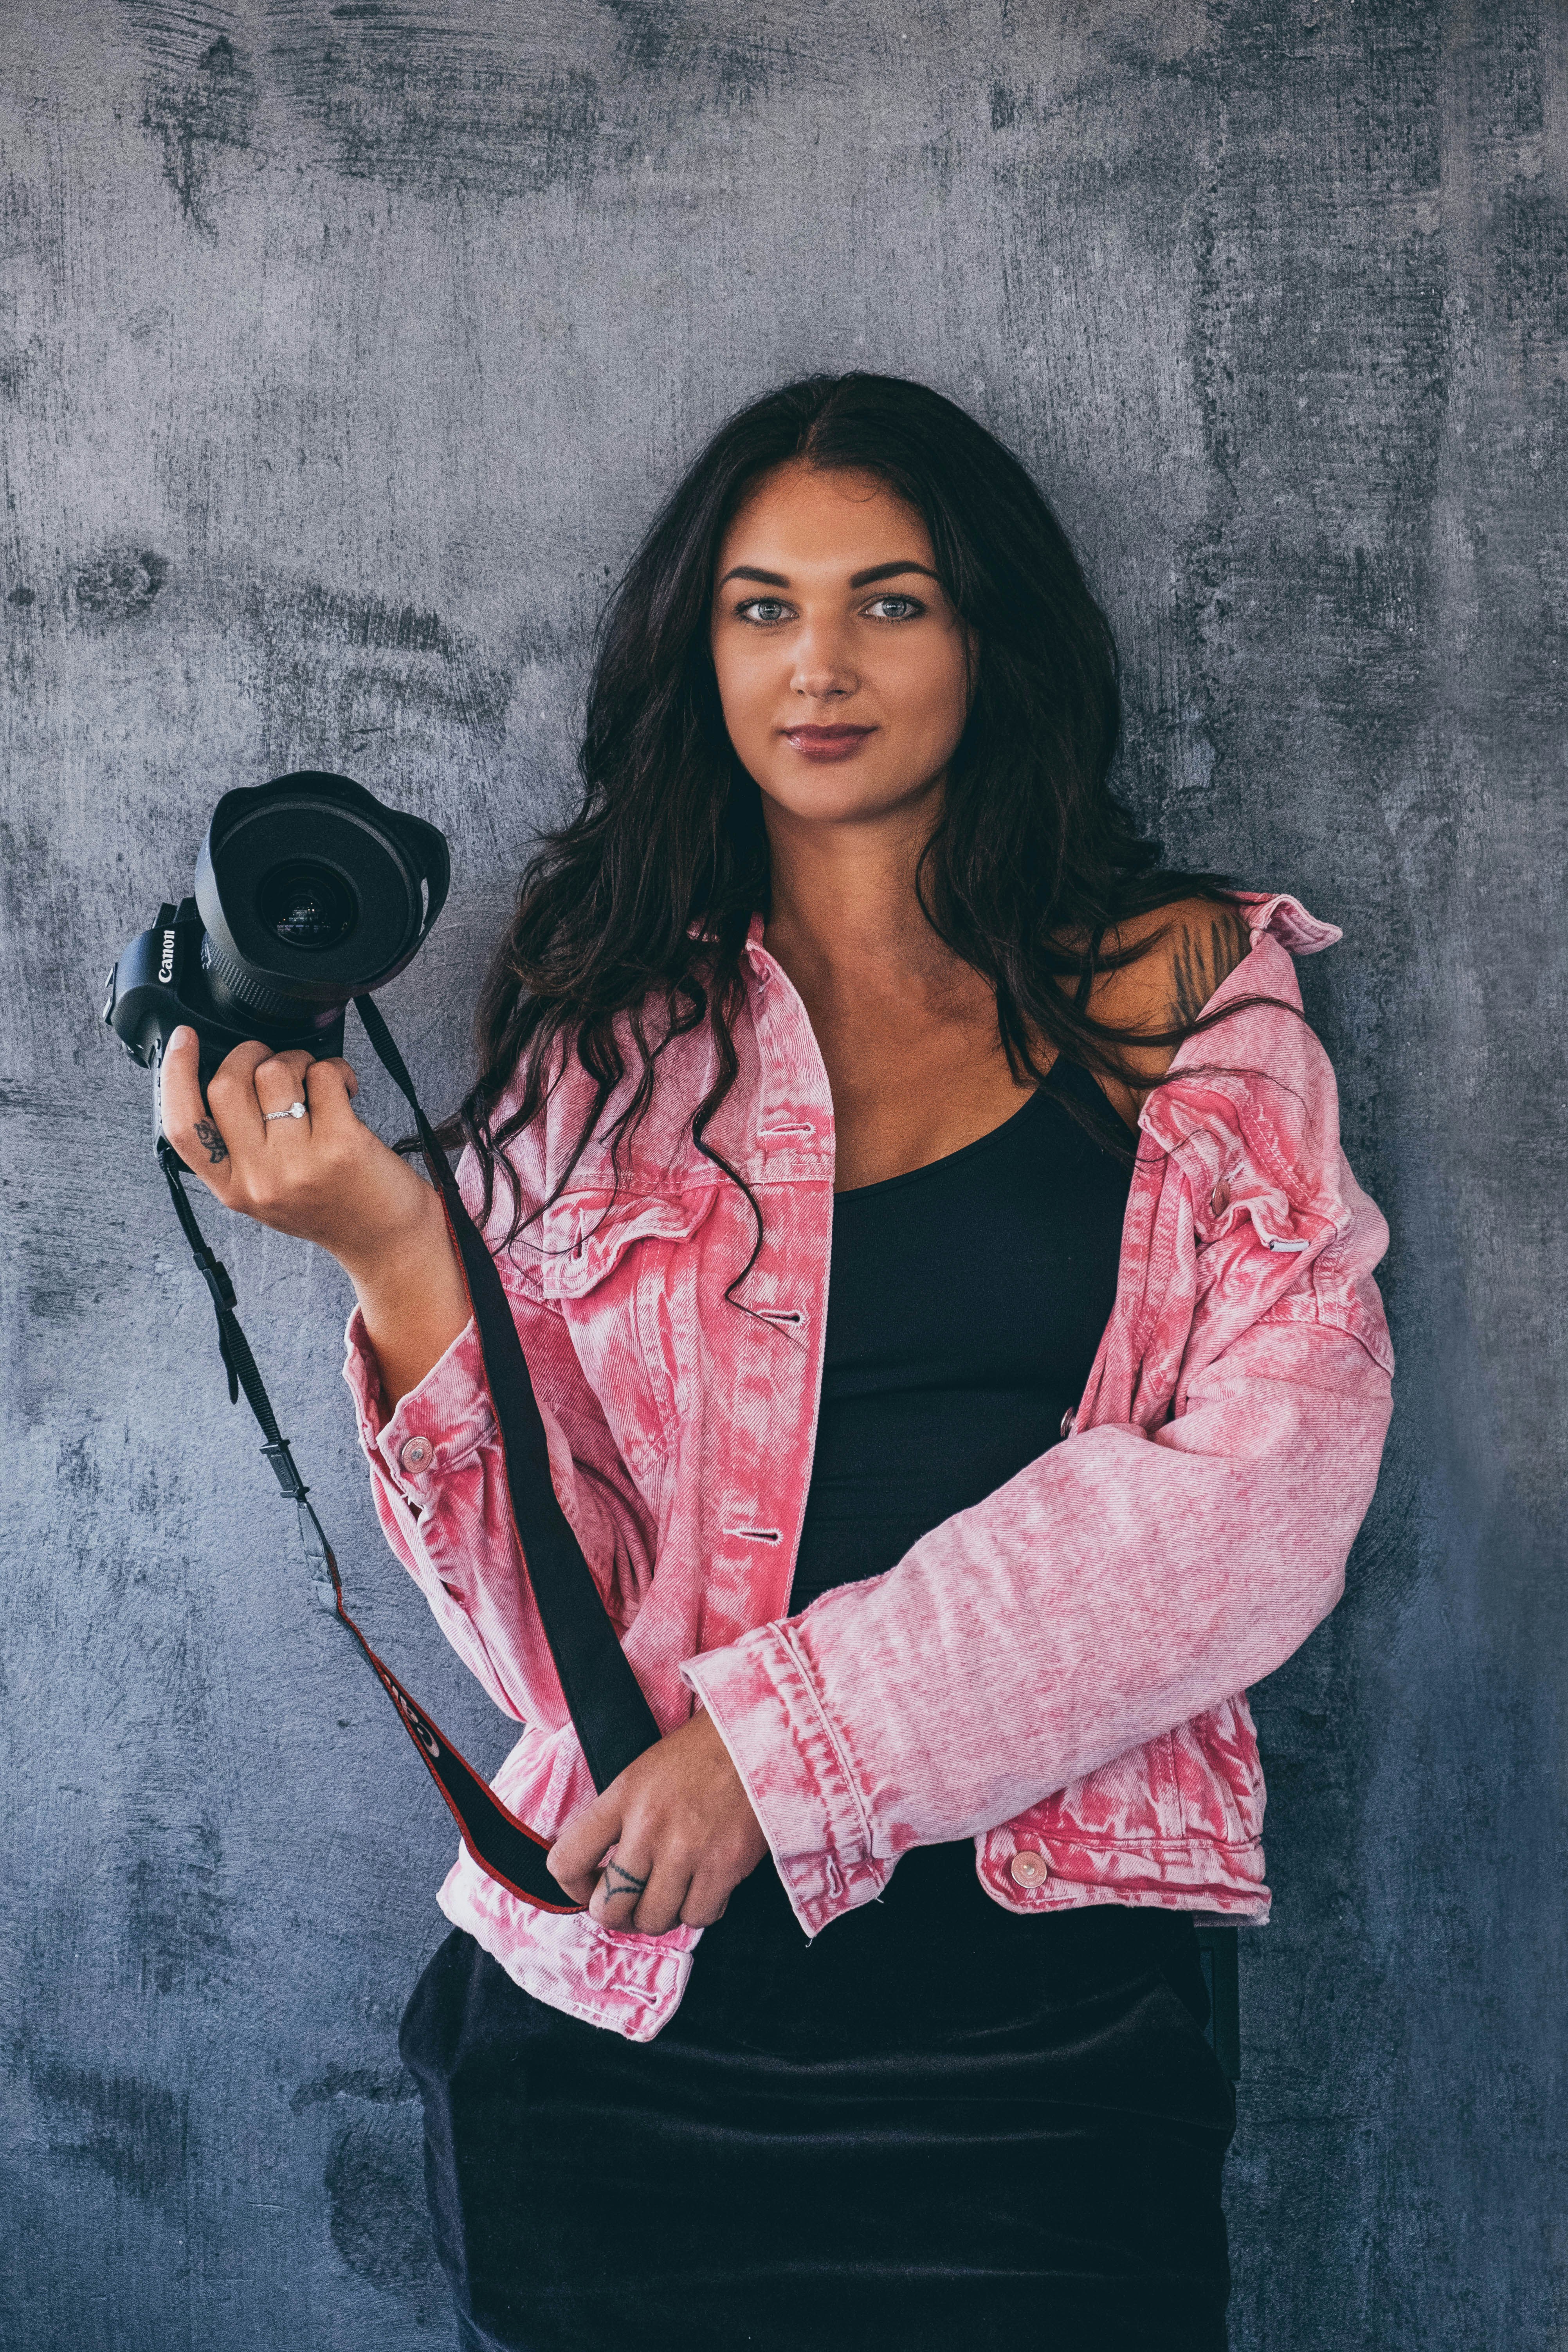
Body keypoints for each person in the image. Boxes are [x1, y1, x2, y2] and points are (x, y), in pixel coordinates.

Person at [159, 373, 1394, 2351]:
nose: (819, 664)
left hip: (1052, 2018)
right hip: (628, 2014)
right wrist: (395, 1247)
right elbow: (536, 1627)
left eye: (890, 602)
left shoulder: (1181, 988)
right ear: (699, 648)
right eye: (762, 606)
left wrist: (781, 1752)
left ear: (991, 637)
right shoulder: (603, 1039)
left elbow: (1269, 1495)